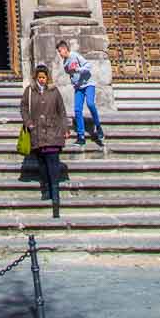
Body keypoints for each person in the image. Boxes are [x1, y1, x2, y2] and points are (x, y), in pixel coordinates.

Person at [20, 63, 69, 217]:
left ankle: (55, 192)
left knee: (53, 162)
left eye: (44, 77)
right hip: (37, 133)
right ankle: (46, 188)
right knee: (41, 163)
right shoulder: (29, 91)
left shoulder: (54, 91)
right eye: (39, 77)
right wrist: (29, 124)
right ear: (36, 78)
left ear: (48, 77)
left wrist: (65, 128)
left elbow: (62, 110)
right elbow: (23, 108)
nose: (42, 80)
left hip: (53, 133)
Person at [57, 40, 105, 148]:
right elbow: (71, 74)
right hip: (78, 87)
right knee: (77, 110)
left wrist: (78, 69)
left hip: (88, 84)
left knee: (90, 104)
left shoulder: (75, 55)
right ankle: (81, 137)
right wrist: (74, 82)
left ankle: (98, 126)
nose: (59, 54)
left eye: (60, 51)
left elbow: (88, 66)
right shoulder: (65, 63)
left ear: (65, 49)